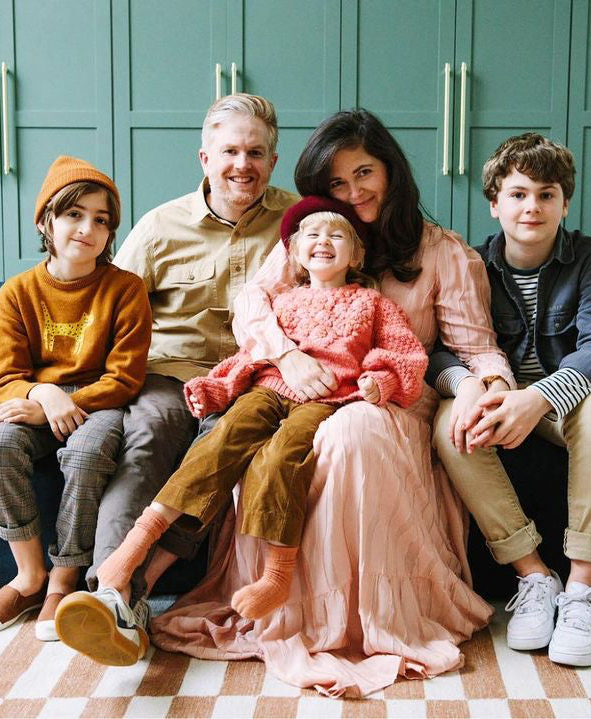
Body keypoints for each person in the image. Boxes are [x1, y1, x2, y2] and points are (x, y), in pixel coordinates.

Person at [149, 109, 515, 698]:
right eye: (337, 184)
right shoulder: (314, 238)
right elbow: (253, 304)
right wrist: (288, 356)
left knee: (351, 433)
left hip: (390, 400)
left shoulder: (445, 253)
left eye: (364, 173)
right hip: (304, 391)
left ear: (392, 172)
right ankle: (272, 597)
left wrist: (495, 388)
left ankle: (357, 613)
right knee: (266, 426)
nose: (353, 193)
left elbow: (476, 347)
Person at [56, 196, 428, 664]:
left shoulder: (372, 303)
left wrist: (383, 381)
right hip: (268, 390)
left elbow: (404, 352)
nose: (323, 243)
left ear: (356, 254)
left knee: (280, 457)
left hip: (330, 397)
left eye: (337, 236)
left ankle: (276, 575)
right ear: (293, 253)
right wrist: (217, 387)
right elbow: (251, 354)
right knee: (218, 443)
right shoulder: (281, 303)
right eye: (311, 235)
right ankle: (133, 548)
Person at [55, 94, 298, 664]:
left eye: (256, 152)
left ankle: (124, 596)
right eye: (230, 151)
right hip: (167, 374)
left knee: (219, 455)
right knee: (145, 445)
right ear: (205, 158)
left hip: (253, 380)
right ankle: (111, 594)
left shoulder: (297, 223)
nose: (243, 164)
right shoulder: (161, 225)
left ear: (273, 159)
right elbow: (109, 311)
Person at [427, 132, 591, 667]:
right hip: (498, 396)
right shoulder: (468, 262)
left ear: (564, 203)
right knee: (448, 426)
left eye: (547, 194)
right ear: (494, 202)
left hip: (565, 400)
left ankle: (580, 591)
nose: (533, 206)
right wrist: (469, 386)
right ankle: (534, 576)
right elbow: (434, 349)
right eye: (519, 194)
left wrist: (540, 398)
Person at [0, 156, 151, 641]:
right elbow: (6, 377)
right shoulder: (18, 292)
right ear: (46, 220)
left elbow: (126, 377)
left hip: (101, 402)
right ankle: (28, 578)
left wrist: (73, 402)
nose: (87, 228)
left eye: (101, 219)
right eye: (74, 214)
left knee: (89, 453)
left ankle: (63, 579)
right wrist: (45, 394)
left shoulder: (126, 290)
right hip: (35, 401)